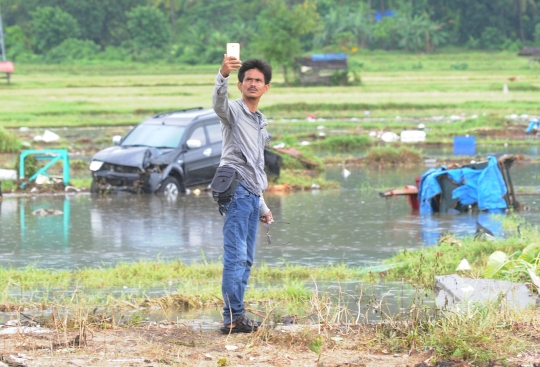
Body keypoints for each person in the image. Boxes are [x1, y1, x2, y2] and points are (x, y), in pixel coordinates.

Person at [212, 55, 274, 333]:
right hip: (236, 192)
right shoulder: (233, 112)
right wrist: (222, 75)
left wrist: (263, 206)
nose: (252, 83)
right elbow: (217, 104)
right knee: (235, 258)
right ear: (240, 85)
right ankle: (233, 317)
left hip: (251, 194)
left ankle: (236, 316)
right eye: (248, 79)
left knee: (246, 258)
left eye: (258, 80)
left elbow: (256, 167)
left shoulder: (260, 121)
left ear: (265, 88)